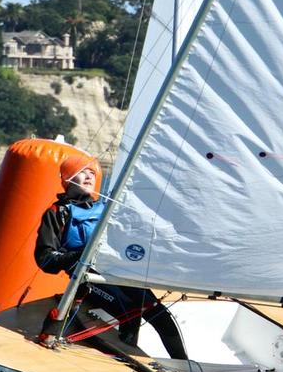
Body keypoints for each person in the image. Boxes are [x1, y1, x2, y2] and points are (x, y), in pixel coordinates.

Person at [35, 154, 187, 359]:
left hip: (116, 269)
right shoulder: (57, 212)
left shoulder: (106, 208)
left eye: (92, 172)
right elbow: (45, 259)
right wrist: (80, 255)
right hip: (86, 275)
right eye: (82, 172)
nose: (89, 176)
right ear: (68, 178)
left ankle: (184, 365)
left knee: (158, 313)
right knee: (129, 311)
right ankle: (123, 356)